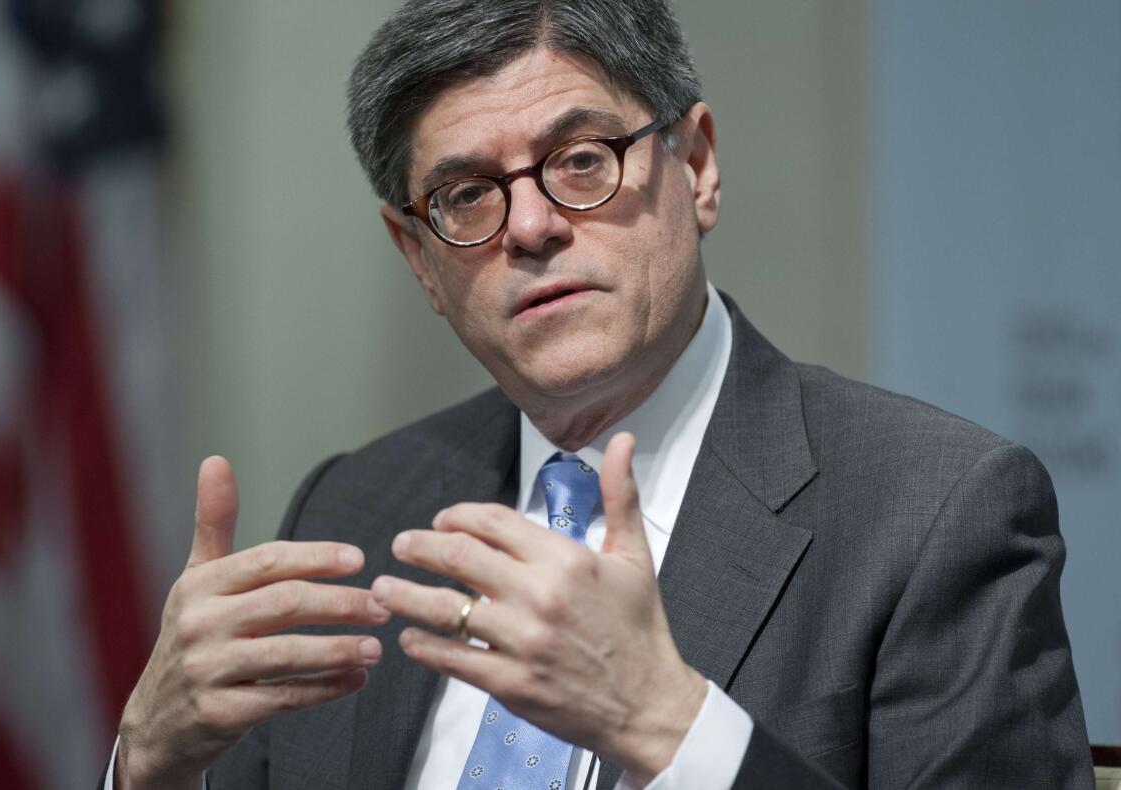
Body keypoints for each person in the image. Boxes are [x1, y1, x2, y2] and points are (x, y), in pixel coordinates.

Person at [103, 1, 1093, 788]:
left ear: (696, 166)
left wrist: (668, 728)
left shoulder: (934, 514)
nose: (529, 226)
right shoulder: (355, 509)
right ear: (418, 258)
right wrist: (150, 764)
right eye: (466, 196)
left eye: (581, 160)